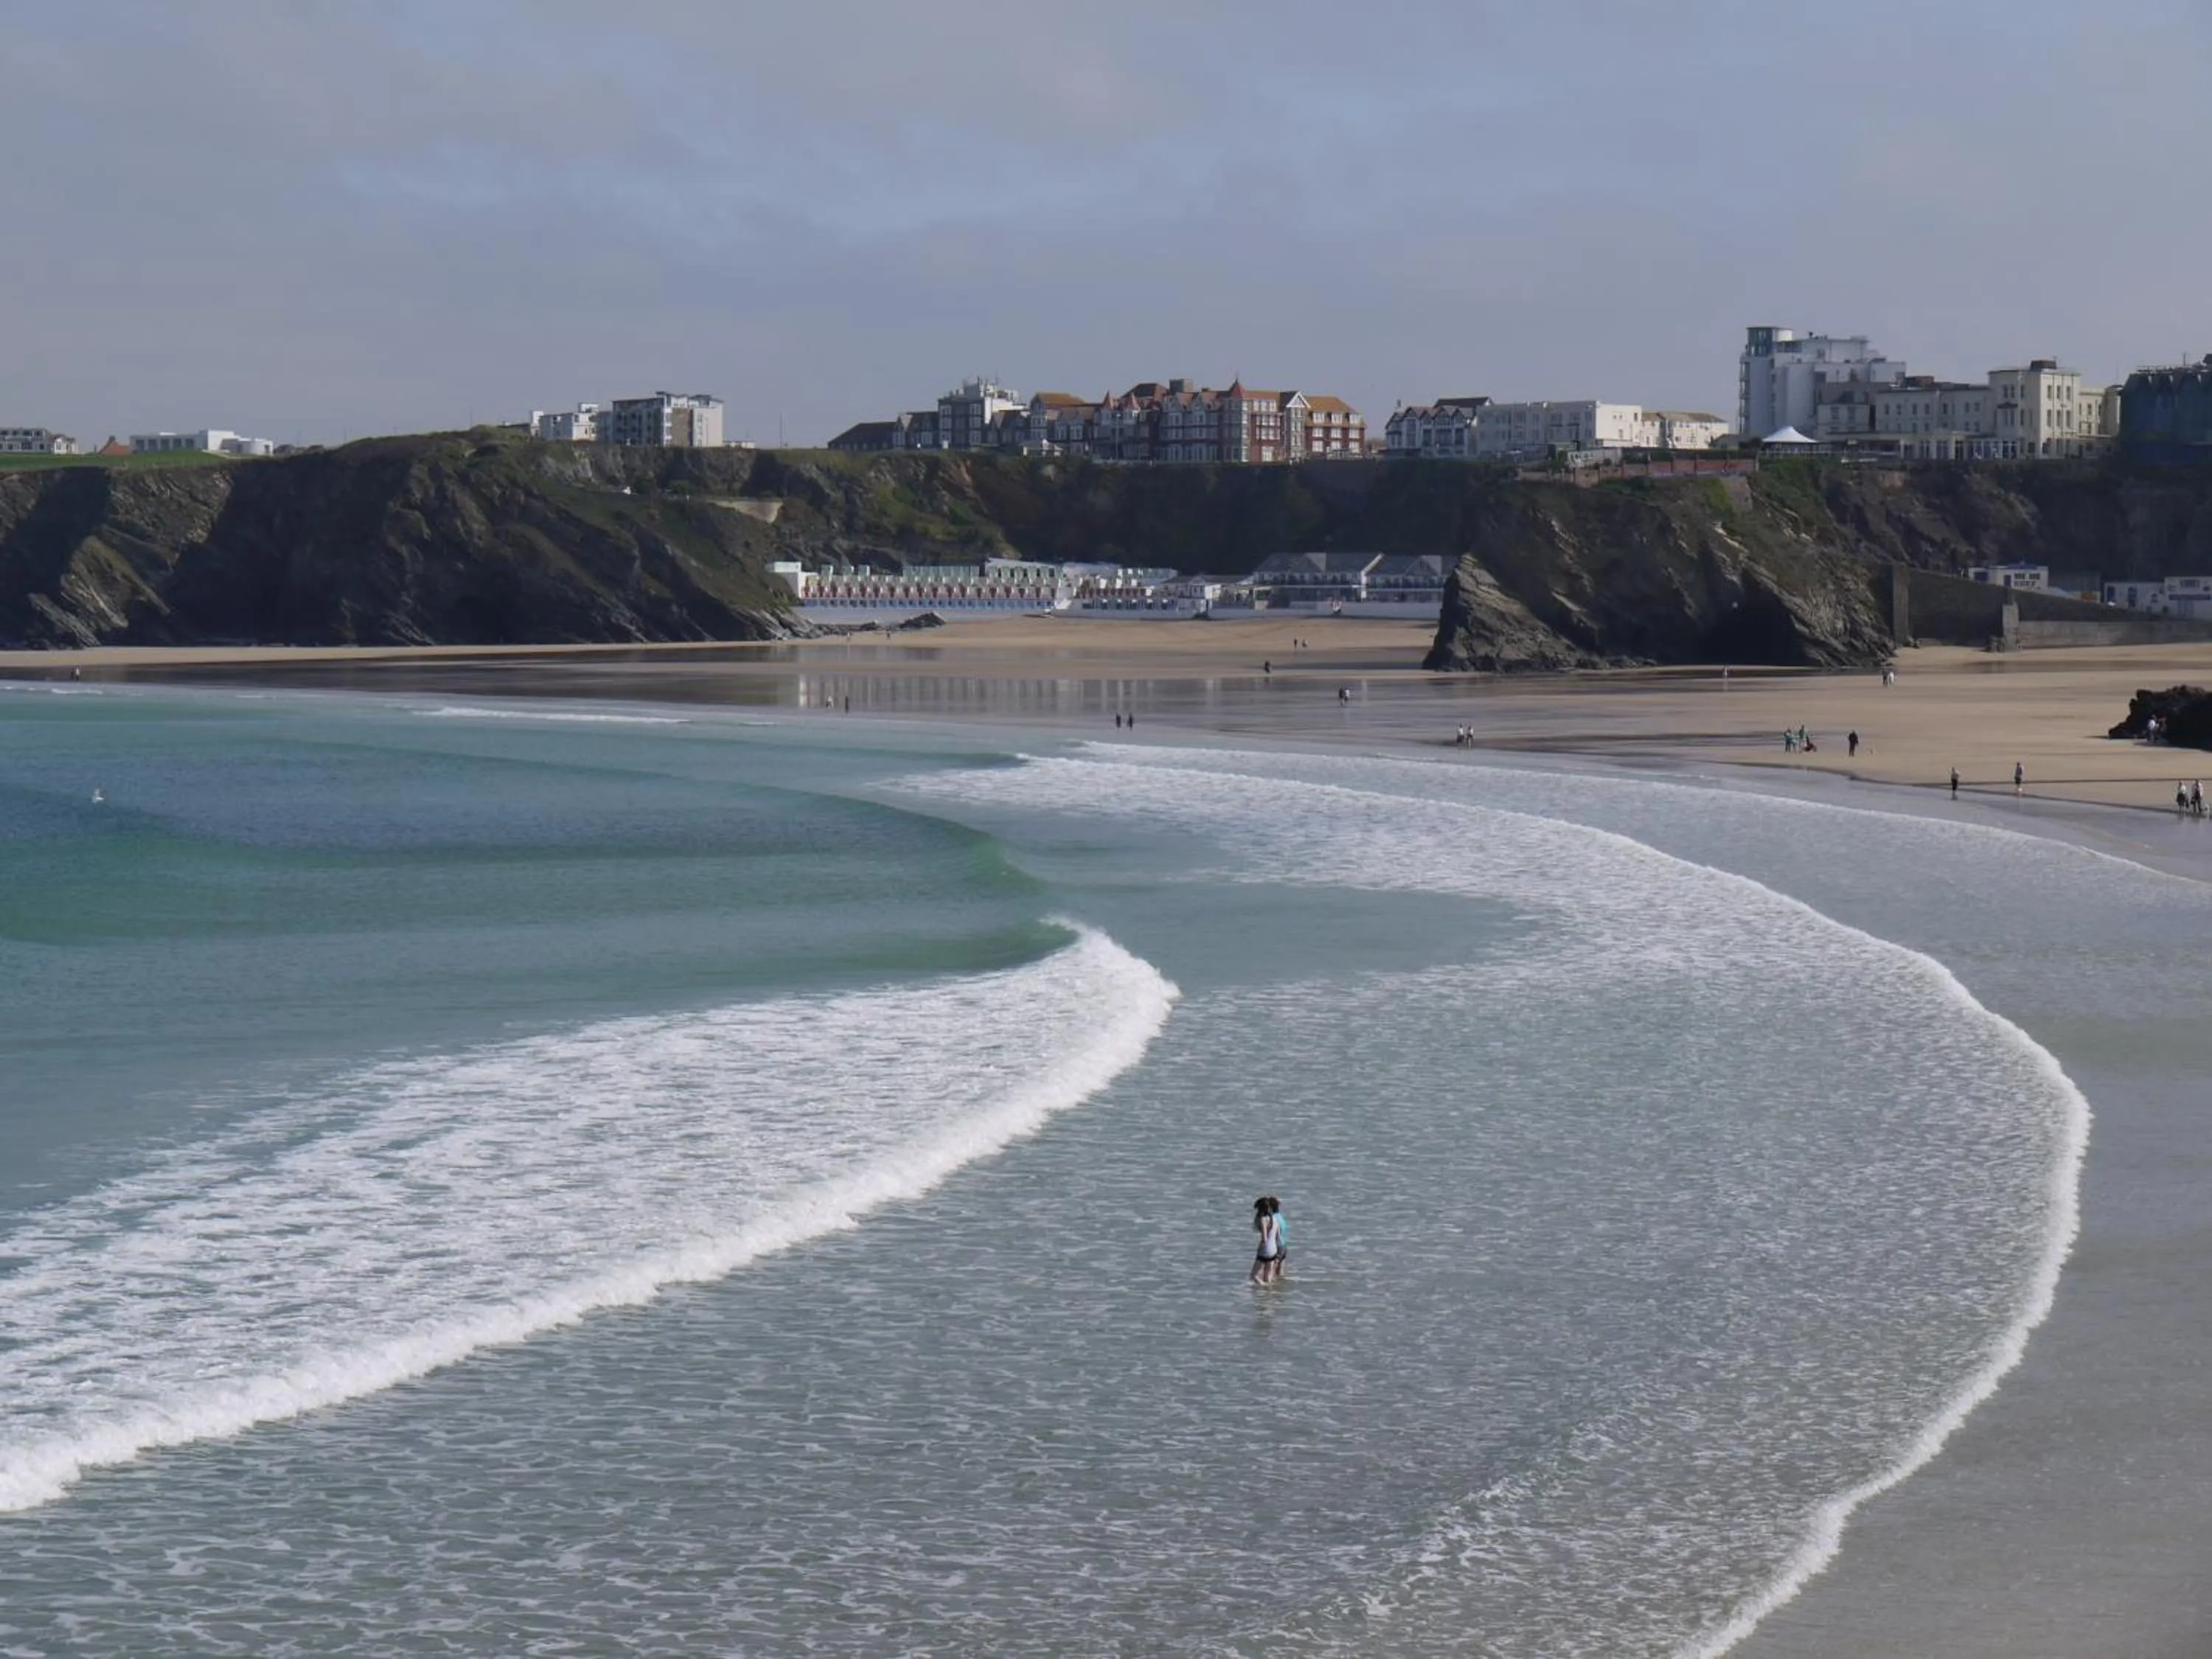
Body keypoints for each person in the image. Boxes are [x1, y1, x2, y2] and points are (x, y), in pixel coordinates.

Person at [1250, 1197, 1282, 1285]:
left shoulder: (1263, 1219)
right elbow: (1278, 1237)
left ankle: (1264, 1288)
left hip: (1265, 1249)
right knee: (1268, 1275)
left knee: (1254, 1276)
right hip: (1274, 1249)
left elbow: (1264, 1238)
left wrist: (1260, 1247)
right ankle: (1268, 1295)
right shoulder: (1274, 1218)